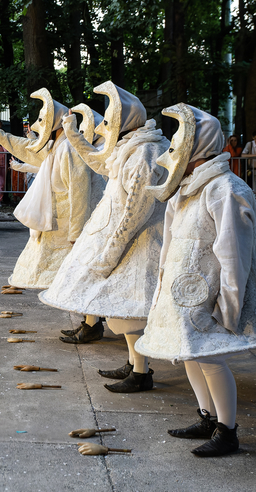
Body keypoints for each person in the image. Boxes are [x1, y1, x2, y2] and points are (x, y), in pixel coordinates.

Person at [136, 104, 256, 457]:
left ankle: (227, 429)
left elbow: (234, 251)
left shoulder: (224, 188)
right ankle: (207, 417)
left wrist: (230, 303)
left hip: (210, 294)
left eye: (180, 141)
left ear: (199, 144)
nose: (173, 149)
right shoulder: (185, 188)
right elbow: (171, 242)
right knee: (188, 354)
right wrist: (162, 286)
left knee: (210, 358)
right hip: (184, 292)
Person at [37, 84, 170, 392]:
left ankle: (141, 372)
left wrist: (109, 253)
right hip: (129, 238)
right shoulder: (133, 146)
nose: (104, 128)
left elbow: (134, 211)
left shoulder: (145, 152)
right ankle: (137, 365)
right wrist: (72, 133)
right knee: (124, 309)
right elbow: (100, 161)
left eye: (109, 122)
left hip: (141, 240)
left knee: (131, 310)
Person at [0, 89, 97, 289]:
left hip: (64, 227)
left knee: (74, 280)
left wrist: (76, 232)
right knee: (53, 275)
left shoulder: (68, 149)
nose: (39, 127)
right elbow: (29, 148)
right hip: (53, 222)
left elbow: (79, 193)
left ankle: (90, 320)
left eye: (43, 120)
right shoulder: (56, 145)